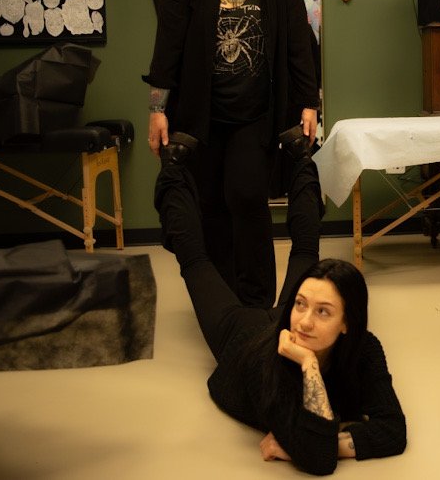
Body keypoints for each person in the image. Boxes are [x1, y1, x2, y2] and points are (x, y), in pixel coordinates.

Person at [154, 134, 407, 475]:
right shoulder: (269, 365)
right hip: (241, 339)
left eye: (323, 311)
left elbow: (392, 431)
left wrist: (315, 425)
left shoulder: (365, 348)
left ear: (348, 322)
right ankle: (172, 167)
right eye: (301, 303)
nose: (304, 322)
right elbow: (320, 458)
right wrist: (309, 364)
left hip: (278, 332)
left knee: (305, 250)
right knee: (196, 261)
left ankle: (301, 158)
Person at [143, 0, 320, 309]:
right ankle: (224, 304)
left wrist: (309, 103)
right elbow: (167, 50)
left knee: (247, 198)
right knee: (210, 207)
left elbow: (300, 46)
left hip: (255, 115)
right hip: (200, 118)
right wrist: (157, 110)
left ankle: (256, 305)